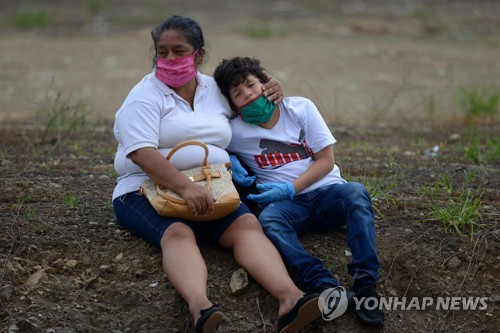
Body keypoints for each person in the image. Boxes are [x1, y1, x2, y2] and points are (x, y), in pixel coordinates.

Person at [112, 15, 322, 333]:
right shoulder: (144, 97)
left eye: (179, 51)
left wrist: (272, 89)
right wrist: (184, 187)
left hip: (211, 183)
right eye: (162, 52)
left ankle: (291, 299)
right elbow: (141, 153)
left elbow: (251, 105)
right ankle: (201, 310)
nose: (169, 59)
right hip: (145, 189)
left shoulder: (215, 90)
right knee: (178, 233)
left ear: (199, 54)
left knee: (248, 227)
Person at [213, 56, 385, 326]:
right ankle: (323, 284)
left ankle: (366, 284)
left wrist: (288, 189)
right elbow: (206, 140)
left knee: (356, 192)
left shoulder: (300, 108)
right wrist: (227, 157)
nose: (247, 94)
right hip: (290, 210)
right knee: (269, 220)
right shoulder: (232, 131)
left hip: (327, 195)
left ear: (266, 82)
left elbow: (326, 161)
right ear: (231, 104)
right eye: (238, 93)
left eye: (251, 84)